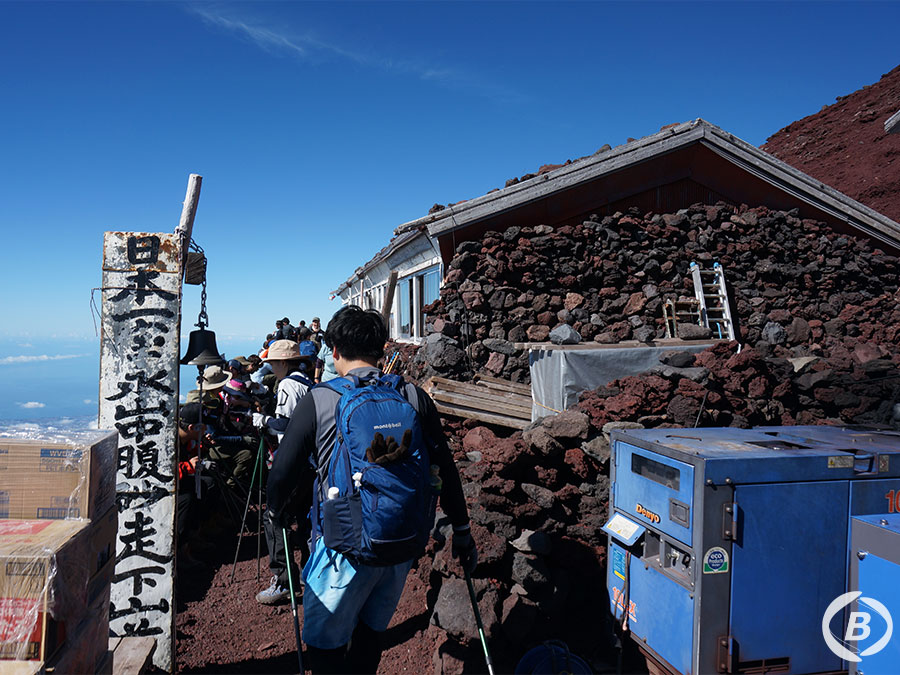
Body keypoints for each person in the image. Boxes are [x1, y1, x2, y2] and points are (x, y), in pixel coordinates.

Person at [267, 306, 477, 673]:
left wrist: (277, 512)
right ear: (381, 349)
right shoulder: (412, 396)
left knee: (325, 647)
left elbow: (282, 472)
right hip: (400, 540)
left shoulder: (320, 399)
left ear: (334, 351)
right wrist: (462, 530)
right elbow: (445, 467)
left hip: (341, 547)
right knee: (370, 635)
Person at [251, 339, 316, 604]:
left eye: (272, 363)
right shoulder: (308, 383)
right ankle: (310, 574)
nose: (270, 368)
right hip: (311, 463)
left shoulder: (288, 385)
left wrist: (262, 420)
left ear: (282, 362)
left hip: (292, 461)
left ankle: (284, 581)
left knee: (274, 516)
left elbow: (285, 425)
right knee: (305, 517)